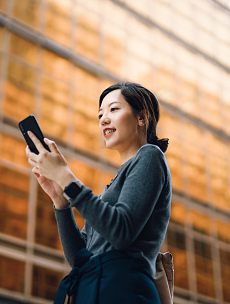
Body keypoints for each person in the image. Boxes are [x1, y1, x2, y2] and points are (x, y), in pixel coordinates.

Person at [25, 82, 172, 303]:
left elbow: (121, 232)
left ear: (141, 118)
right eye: (100, 114)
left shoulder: (150, 156)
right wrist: (60, 201)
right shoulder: (109, 190)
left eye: (114, 109)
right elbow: (80, 257)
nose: (103, 119)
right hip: (93, 291)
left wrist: (67, 177)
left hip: (124, 291)